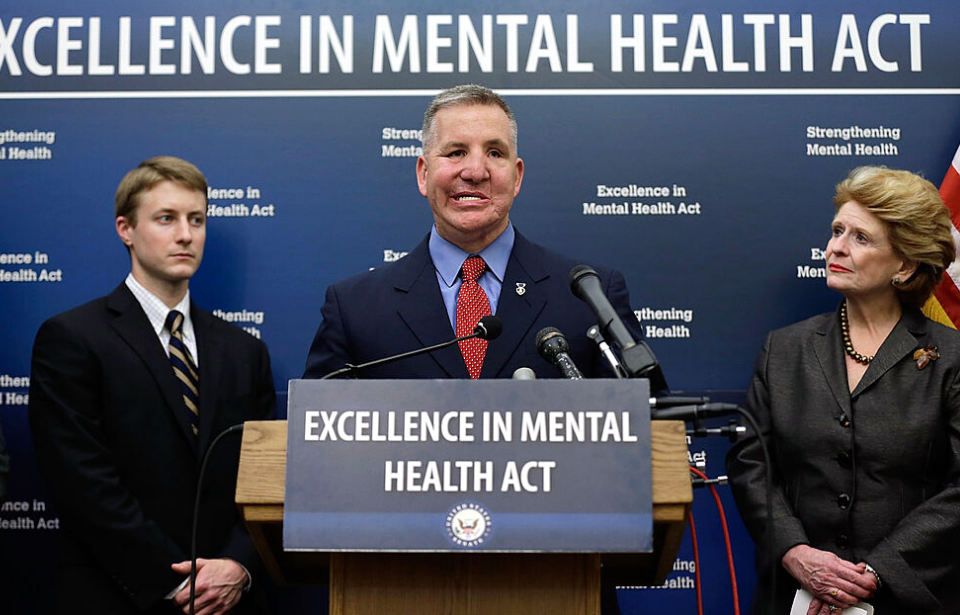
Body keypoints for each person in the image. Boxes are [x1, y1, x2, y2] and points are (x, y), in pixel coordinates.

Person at [29, 156, 276, 615]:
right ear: (126, 229)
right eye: (167, 218)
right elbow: (83, 484)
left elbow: (263, 479)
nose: (186, 234)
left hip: (229, 600)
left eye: (197, 219)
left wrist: (239, 566)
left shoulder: (245, 351)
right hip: (117, 595)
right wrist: (180, 582)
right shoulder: (73, 337)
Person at [304, 84, 653, 383]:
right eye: (456, 152)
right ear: (423, 174)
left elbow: (645, 435)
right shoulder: (354, 309)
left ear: (516, 177)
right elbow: (314, 442)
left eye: (494, 152)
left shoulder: (590, 298)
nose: (474, 171)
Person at [727, 166, 960, 614]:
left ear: (905, 264)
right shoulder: (785, 349)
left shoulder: (950, 358)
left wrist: (875, 573)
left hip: (910, 599)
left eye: (860, 238)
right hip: (795, 597)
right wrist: (797, 553)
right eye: (837, 230)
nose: (836, 246)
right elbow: (750, 463)